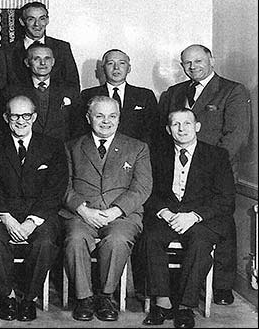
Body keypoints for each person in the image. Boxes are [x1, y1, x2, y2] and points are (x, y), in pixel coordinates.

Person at [158, 44, 251, 305]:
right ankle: (177, 284)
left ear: (211, 59)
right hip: (178, 171)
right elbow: (162, 133)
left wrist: (207, 166)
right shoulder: (175, 92)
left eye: (199, 61)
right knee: (174, 227)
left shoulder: (232, 91)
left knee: (219, 227)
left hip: (215, 173)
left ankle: (221, 285)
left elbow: (236, 136)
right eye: (187, 63)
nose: (193, 67)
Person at [142, 108, 235, 329]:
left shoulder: (217, 155)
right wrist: (164, 212)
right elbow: (146, 191)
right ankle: (162, 302)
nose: (182, 129)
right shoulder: (156, 155)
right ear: (168, 129)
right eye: (175, 124)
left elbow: (226, 199)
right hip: (168, 216)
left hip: (199, 219)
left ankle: (185, 306)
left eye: (186, 123)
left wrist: (193, 216)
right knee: (150, 238)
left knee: (201, 244)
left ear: (197, 127)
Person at [61, 95, 152, 322]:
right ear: (88, 117)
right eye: (99, 116)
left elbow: (142, 187)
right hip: (81, 214)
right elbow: (63, 185)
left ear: (119, 119)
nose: (106, 121)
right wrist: (83, 210)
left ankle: (105, 296)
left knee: (117, 240)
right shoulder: (72, 146)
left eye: (112, 116)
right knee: (75, 239)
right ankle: (84, 298)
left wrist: (115, 211)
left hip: (122, 215)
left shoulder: (137, 147)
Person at [0, 95, 68, 322]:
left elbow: (55, 190)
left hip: (40, 213)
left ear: (34, 117)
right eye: (14, 116)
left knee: (45, 242)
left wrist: (32, 221)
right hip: (5, 213)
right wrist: (7, 219)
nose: (20, 121)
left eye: (26, 116)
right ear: (6, 118)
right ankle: (8, 297)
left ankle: (28, 299)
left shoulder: (52, 146)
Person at [75, 49, 160, 146]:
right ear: (103, 68)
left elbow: (154, 131)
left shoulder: (145, 95)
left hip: (135, 153)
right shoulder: (88, 95)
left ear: (129, 68)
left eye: (122, 63)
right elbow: (81, 129)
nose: (116, 68)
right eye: (110, 63)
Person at [0, 1, 79, 93]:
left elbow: (73, 85)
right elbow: (0, 89)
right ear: (22, 22)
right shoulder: (5, 52)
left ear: (47, 20)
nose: (37, 24)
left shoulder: (62, 48)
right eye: (31, 19)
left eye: (42, 19)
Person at [3, 42, 78, 142]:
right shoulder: (13, 92)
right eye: (36, 59)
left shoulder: (69, 90)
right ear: (27, 62)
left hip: (62, 150)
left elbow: (78, 126)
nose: (43, 63)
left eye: (47, 58)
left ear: (53, 62)